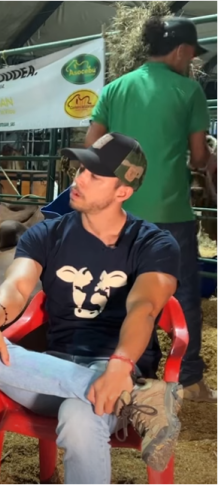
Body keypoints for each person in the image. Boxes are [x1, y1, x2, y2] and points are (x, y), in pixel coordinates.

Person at [0, 133, 184, 484]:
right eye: (81, 168)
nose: (79, 178)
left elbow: (143, 307)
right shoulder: (45, 235)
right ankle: (142, 401)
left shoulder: (153, 243)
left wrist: (120, 365)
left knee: (80, 417)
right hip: (52, 368)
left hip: (117, 367)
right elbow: (18, 285)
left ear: (123, 192)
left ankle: (124, 390)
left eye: (95, 175)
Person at [84, 16, 217, 402]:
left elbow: (94, 146)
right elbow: (196, 156)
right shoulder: (189, 91)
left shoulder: (114, 89)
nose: (191, 62)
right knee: (181, 293)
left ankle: (137, 369)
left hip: (119, 214)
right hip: (170, 213)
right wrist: (207, 157)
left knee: (124, 292)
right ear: (180, 51)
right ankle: (189, 379)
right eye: (191, 54)